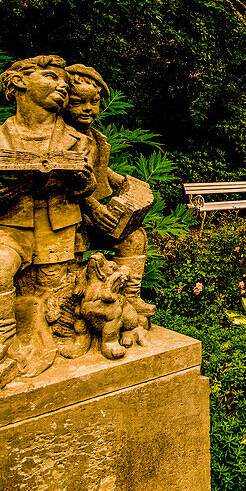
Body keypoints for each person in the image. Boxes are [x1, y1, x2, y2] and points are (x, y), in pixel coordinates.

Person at [0, 55, 95, 380]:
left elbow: (90, 187)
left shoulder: (79, 140)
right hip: (11, 225)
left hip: (60, 230)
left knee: (53, 298)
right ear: (21, 82)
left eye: (65, 80)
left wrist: (81, 180)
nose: (63, 85)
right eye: (52, 77)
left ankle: (59, 340)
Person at [62, 64, 153, 325]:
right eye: (78, 103)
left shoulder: (95, 138)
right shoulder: (59, 138)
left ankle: (131, 296)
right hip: (65, 221)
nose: (88, 109)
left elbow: (101, 172)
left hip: (90, 218)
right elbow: (66, 179)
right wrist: (92, 207)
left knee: (134, 237)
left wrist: (126, 182)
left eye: (94, 102)